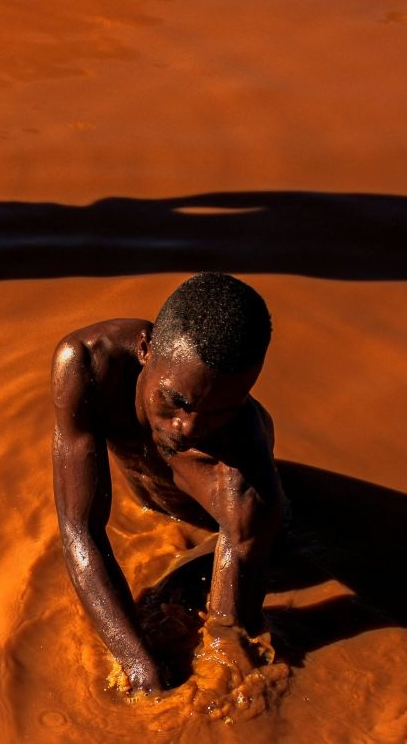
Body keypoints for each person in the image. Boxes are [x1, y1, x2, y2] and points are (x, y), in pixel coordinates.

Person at [51, 272, 285, 694]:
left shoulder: (244, 479)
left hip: (230, 529)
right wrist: (138, 664)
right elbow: (79, 527)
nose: (189, 428)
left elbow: (228, 636)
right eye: (177, 401)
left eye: (220, 411)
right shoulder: (88, 366)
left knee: (172, 605)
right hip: (156, 506)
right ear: (145, 349)